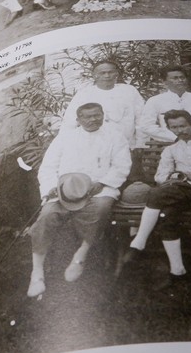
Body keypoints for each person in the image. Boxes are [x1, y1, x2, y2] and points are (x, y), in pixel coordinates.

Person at [28, 102, 131, 297]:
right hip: (65, 190)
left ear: (103, 115)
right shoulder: (65, 138)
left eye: (97, 115)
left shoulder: (115, 137)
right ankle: (37, 271)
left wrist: (102, 182)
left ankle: (80, 255)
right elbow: (48, 166)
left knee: (100, 209)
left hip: (99, 189)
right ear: (78, 120)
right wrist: (50, 187)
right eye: (87, 117)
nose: (93, 120)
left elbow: (121, 166)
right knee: (47, 215)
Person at [121, 109, 191, 279]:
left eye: (183, 126)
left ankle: (139, 240)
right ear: (170, 129)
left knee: (157, 194)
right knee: (167, 215)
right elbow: (160, 177)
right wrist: (183, 176)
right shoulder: (170, 150)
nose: (180, 131)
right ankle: (177, 269)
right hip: (178, 194)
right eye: (174, 127)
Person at [60, 60, 144, 149]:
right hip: (92, 146)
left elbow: (141, 119)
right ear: (94, 75)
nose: (107, 76)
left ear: (116, 74)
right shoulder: (84, 93)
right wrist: (65, 145)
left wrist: (141, 144)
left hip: (124, 146)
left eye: (110, 72)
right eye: (102, 73)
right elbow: (70, 122)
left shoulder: (129, 91)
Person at [138, 65, 191, 145]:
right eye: (175, 78)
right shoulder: (155, 101)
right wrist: (174, 138)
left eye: (182, 77)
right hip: (170, 144)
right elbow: (146, 126)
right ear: (164, 82)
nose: (180, 80)